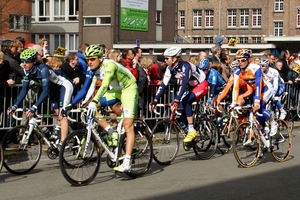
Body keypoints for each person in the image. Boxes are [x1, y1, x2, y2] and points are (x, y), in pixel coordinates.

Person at [83, 44, 138, 172]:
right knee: (91, 108)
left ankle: (127, 161)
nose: (89, 62)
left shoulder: (109, 65)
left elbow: (105, 84)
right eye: (87, 59)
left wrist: (94, 100)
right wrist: (86, 102)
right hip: (116, 91)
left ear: (100, 58)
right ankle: (110, 130)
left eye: (92, 59)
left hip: (129, 89)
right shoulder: (93, 69)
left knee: (128, 125)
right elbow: (90, 87)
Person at [7, 48, 73, 144]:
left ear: (33, 61)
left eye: (27, 62)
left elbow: (45, 91)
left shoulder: (43, 69)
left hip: (64, 87)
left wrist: (34, 107)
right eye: (22, 62)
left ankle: (62, 144)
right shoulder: (26, 71)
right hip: (53, 89)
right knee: (57, 113)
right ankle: (60, 134)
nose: (24, 64)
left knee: (63, 115)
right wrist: (15, 105)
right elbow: (24, 89)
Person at [149, 46, 208, 145]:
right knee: (179, 110)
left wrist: (176, 100)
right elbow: (164, 84)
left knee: (185, 101)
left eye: (167, 58)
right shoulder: (169, 68)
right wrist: (155, 100)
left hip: (201, 84)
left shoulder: (186, 66)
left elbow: (184, 83)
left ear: (175, 58)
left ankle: (192, 130)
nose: (165, 60)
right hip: (190, 86)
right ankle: (189, 136)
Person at [231, 48, 277, 142]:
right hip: (255, 90)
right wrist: (233, 103)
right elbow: (235, 88)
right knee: (255, 117)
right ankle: (263, 137)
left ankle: (273, 122)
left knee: (260, 107)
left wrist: (256, 102)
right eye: (238, 60)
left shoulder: (256, 68)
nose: (240, 63)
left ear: (248, 60)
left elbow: (258, 84)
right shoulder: (237, 70)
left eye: (243, 60)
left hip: (266, 88)